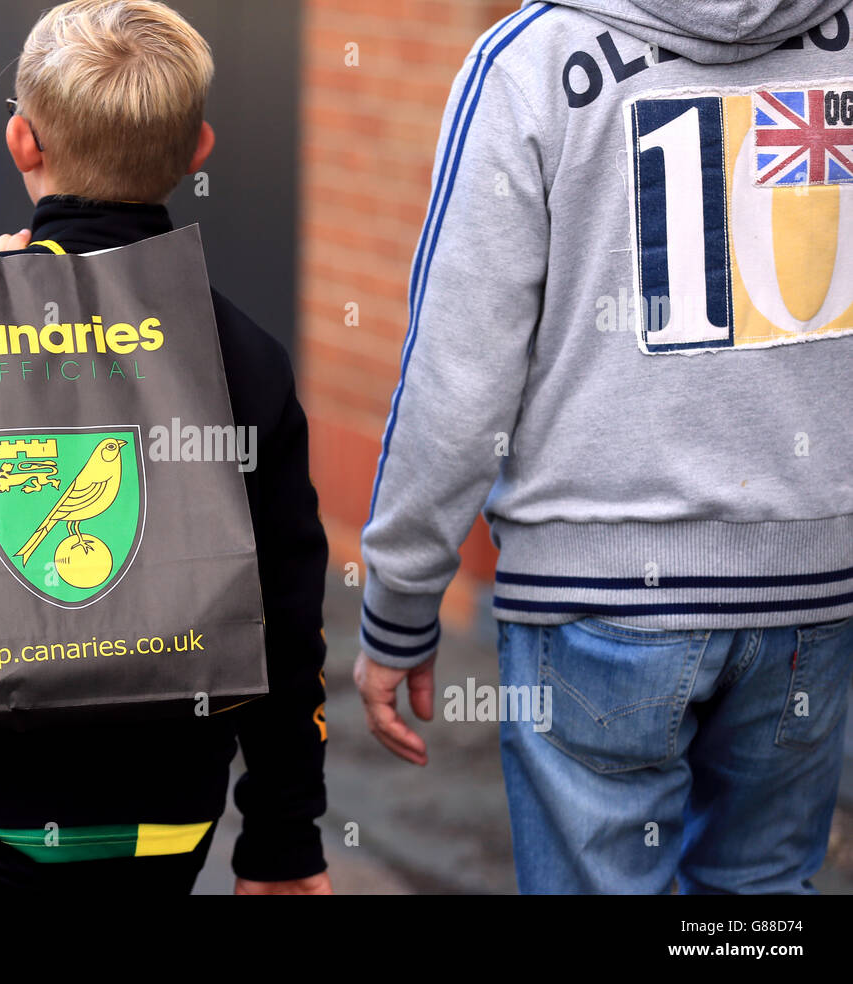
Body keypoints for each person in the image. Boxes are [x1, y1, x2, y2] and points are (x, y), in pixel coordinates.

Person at [0, 0, 331, 895]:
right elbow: (284, 614)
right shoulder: (241, 353)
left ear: (21, 141)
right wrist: (285, 835)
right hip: (167, 810)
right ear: (198, 150)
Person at [356, 0, 853, 893]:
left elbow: (458, 375)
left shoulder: (528, 61)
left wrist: (399, 602)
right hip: (813, 590)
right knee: (762, 904)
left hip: (593, 600)